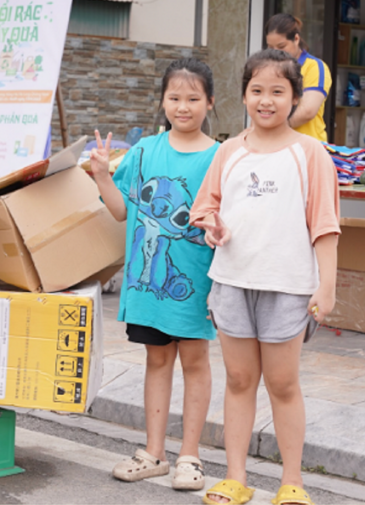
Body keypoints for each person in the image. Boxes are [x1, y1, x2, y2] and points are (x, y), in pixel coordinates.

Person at [191, 49, 340, 505]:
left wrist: (327, 285)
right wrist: (211, 225)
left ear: (294, 98)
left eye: (278, 91)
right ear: (244, 96)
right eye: (257, 90)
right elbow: (205, 209)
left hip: (289, 287)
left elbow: (325, 223)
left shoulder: (310, 153)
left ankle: (292, 482)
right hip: (233, 282)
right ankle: (236, 478)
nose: (266, 100)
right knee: (238, 381)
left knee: (283, 383)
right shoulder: (228, 151)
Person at [90, 58, 219, 491]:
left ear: (210, 102)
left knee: (195, 363)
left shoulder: (220, 157)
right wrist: (102, 175)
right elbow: (121, 211)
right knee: (157, 360)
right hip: (148, 287)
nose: (183, 107)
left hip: (197, 284)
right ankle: (154, 452)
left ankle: (190, 456)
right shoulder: (144, 150)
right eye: (175, 98)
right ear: (163, 101)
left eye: (193, 98)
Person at [265, 14, 331, 143]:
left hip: (309, 148)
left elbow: (307, 111)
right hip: (276, 146)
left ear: (296, 39)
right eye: (270, 48)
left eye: (281, 47)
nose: (276, 53)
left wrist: (269, 127)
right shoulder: (267, 68)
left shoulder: (315, 67)